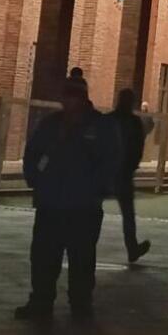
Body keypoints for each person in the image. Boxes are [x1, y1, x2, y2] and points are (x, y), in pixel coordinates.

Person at [16, 76, 119, 321]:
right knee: (43, 256)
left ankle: (80, 304)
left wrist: (97, 189)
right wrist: (36, 180)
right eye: (66, 96)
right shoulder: (52, 124)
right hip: (51, 202)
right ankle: (41, 300)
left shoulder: (99, 126)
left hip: (82, 205)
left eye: (73, 96)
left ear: (82, 98)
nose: (68, 101)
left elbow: (111, 161)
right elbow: (33, 153)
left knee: (81, 257)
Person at [105, 88, 152, 264]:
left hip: (106, 172)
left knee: (91, 209)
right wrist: (131, 166)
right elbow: (138, 148)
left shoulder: (109, 120)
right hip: (123, 174)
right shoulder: (134, 122)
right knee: (128, 214)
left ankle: (81, 243)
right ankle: (132, 248)